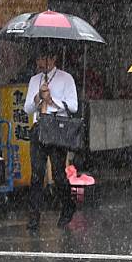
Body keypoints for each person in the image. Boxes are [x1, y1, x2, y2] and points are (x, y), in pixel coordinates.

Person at [24, 49, 78, 232]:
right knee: (36, 174)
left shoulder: (66, 78)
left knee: (58, 174)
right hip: (39, 127)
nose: (42, 62)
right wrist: (39, 96)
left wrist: (51, 99)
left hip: (56, 128)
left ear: (54, 58)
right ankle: (34, 217)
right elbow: (27, 109)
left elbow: (73, 106)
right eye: (39, 58)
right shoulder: (35, 80)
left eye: (45, 58)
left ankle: (68, 206)